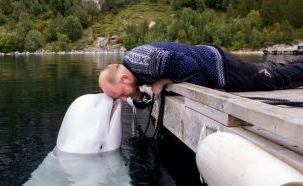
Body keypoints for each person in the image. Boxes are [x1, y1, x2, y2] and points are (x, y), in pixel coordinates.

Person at [99, 41, 303, 108]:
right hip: (213, 60)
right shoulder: (132, 66)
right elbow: (138, 94)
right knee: (261, 72)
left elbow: (189, 67)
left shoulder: (147, 64)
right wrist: (138, 99)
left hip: (219, 65)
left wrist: (162, 82)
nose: (124, 98)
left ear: (125, 78)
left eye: (121, 94)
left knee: (272, 81)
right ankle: (287, 63)